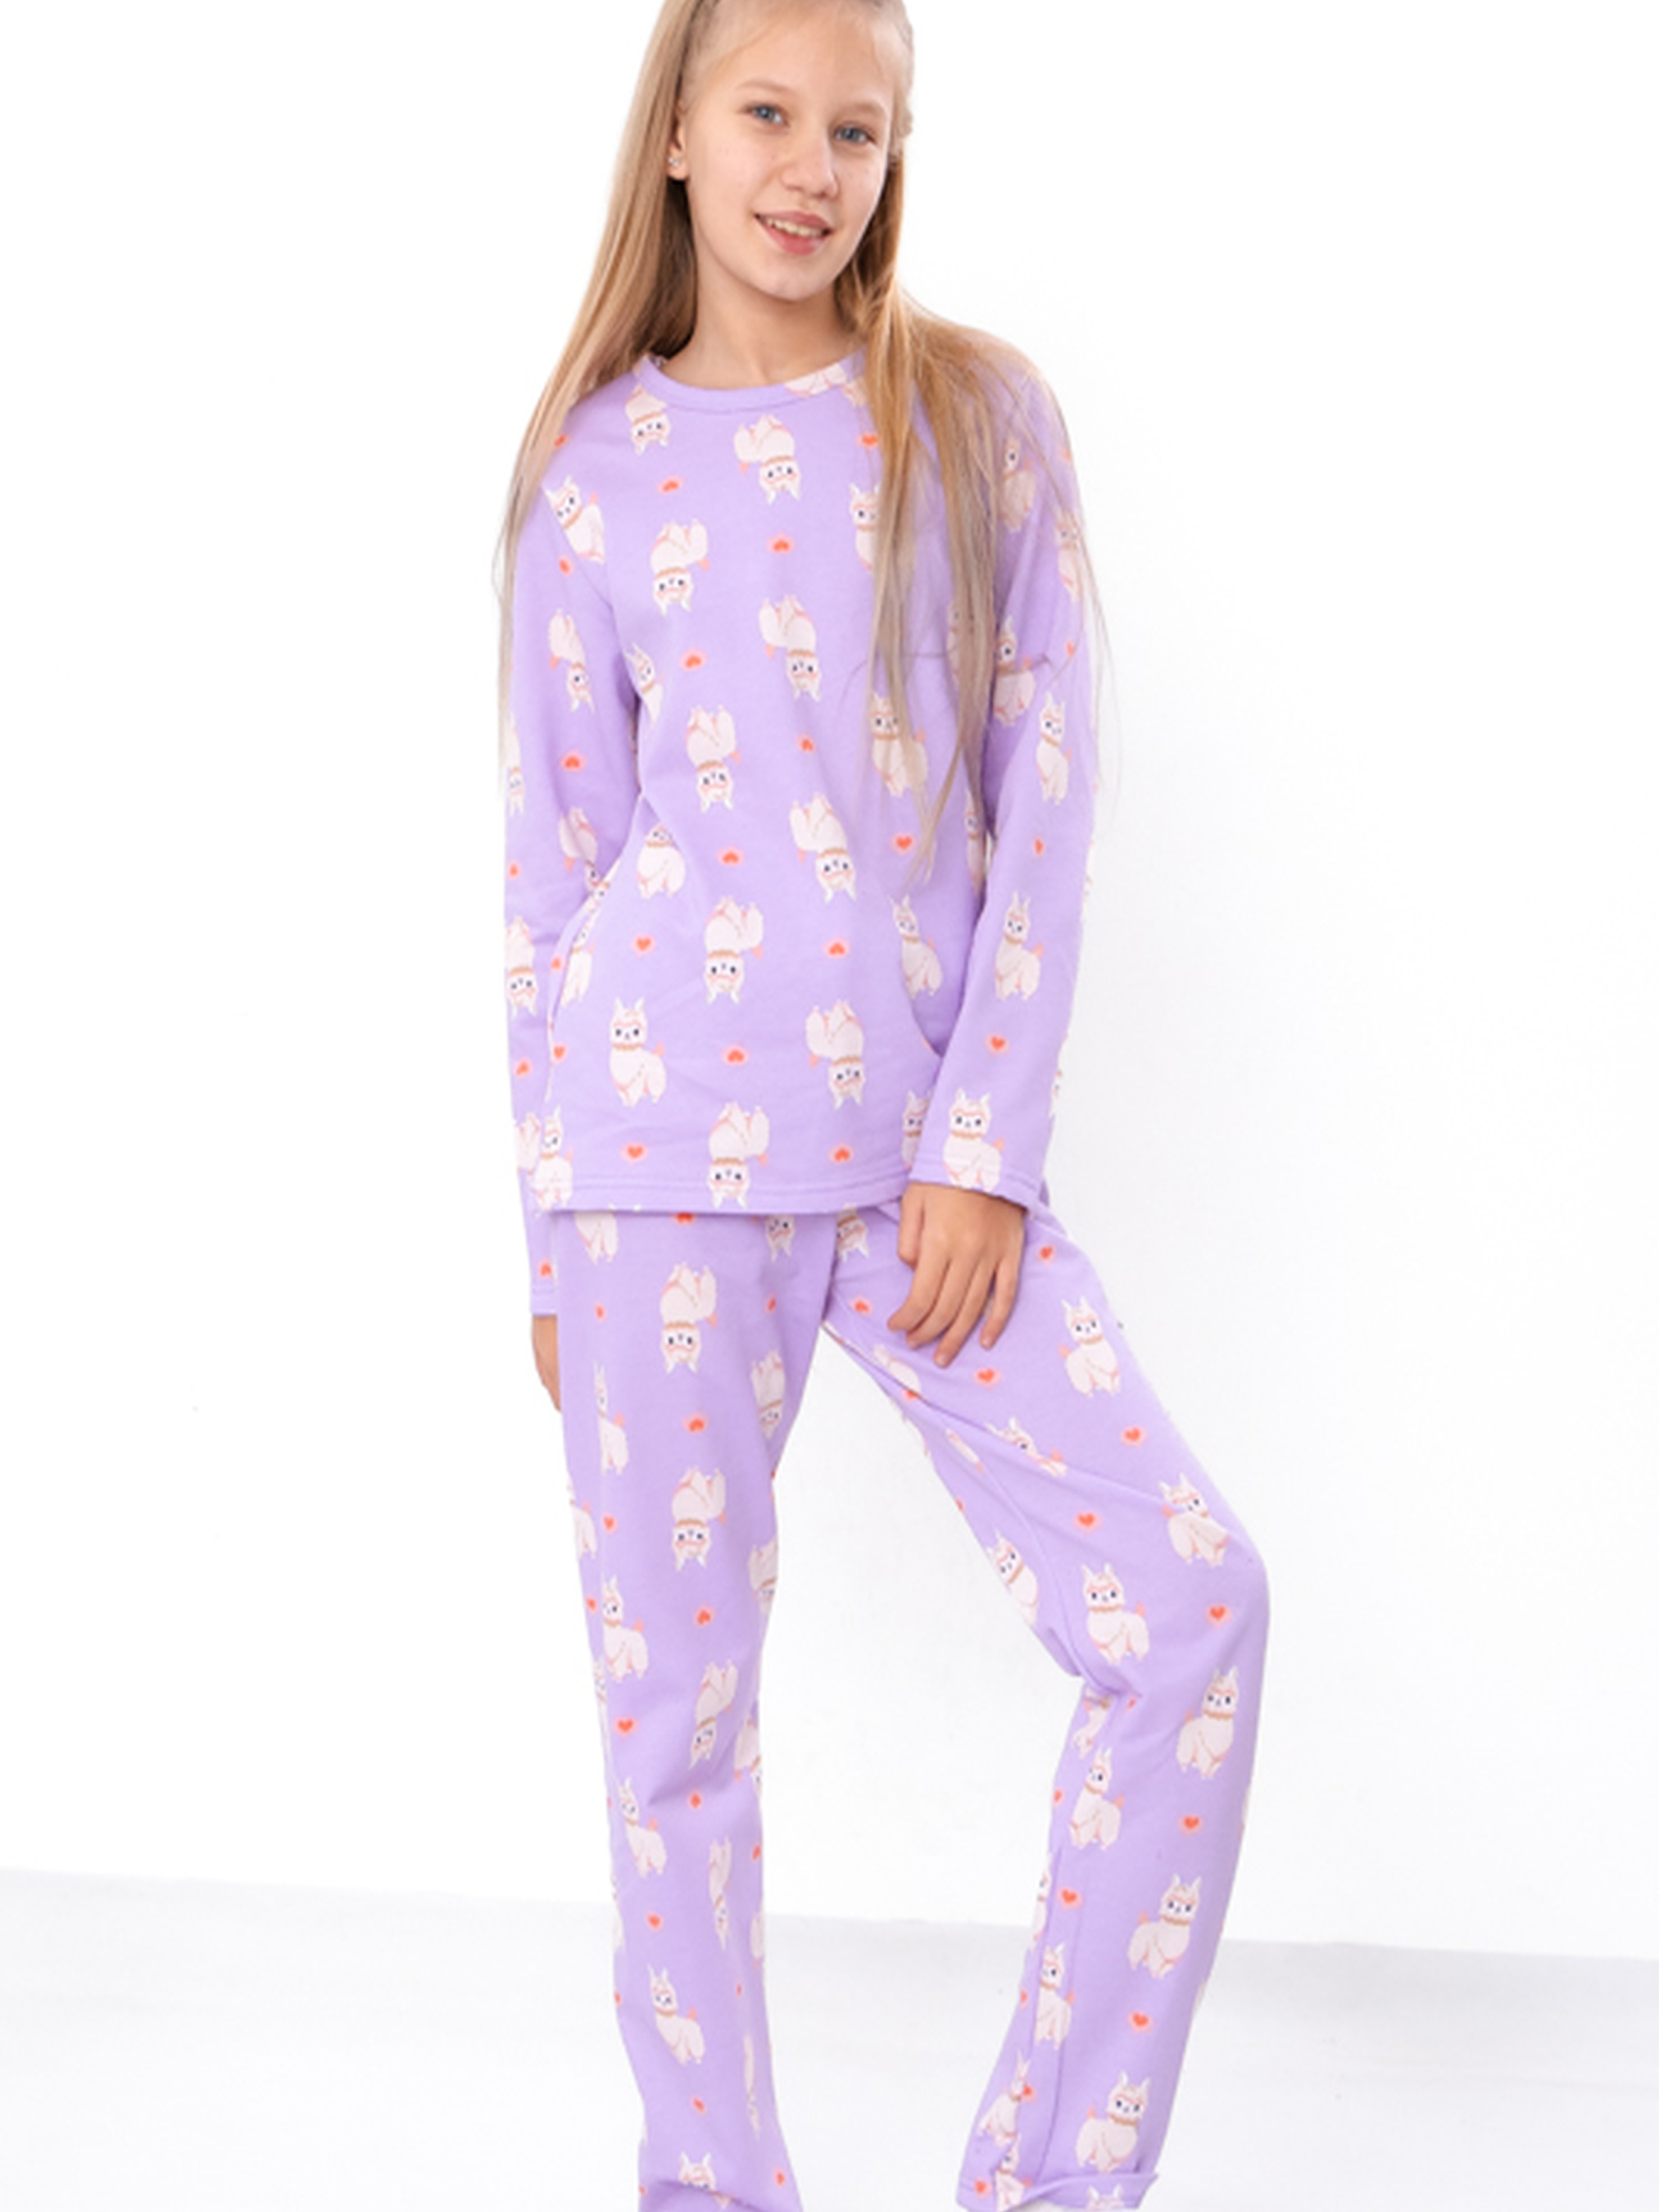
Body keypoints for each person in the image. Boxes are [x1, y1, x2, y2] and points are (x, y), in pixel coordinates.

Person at [494, 3, 1269, 2205]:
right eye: (768, 112)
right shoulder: (589, 471)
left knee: (1190, 1606)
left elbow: (1050, 795)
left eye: (858, 125)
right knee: (675, 1737)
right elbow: (553, 872)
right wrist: (543, 1231)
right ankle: (711, 2184)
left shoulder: (974, 420)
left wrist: (981, 1149)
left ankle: (1051, 2182)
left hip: (918, 1180)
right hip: (645, 1175)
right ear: (674, 134)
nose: (811, 164)